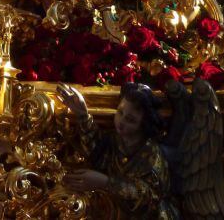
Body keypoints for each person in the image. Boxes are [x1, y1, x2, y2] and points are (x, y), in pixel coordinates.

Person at [58, 83, 179, 219]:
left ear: (143, 124)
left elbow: (148, 197)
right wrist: (82, 114)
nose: (121, 122)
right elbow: (97, 152)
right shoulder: (116, 140)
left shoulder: (151, 154)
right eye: (120, 112)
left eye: (130, 120)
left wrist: (105, 182)